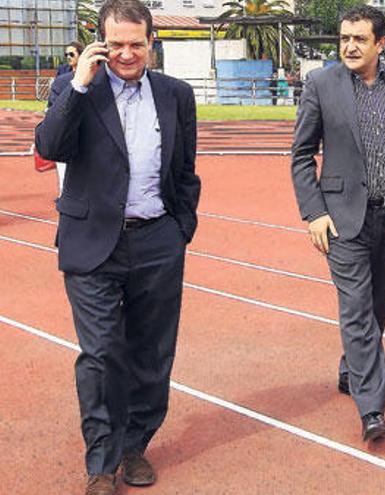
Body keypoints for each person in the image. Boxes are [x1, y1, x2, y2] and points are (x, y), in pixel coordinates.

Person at [34, 1, 201, 494]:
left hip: (157, 240)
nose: (127, 54)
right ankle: (102, 464)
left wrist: (180, 228)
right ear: (101, 44)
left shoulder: (176, 95)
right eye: (117, 44)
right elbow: (50, 146)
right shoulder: (75, 88)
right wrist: (81, 84)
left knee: (152, 353)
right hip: (93, 243)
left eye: (137, 43)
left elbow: (185, 170)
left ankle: (135, 446)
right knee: (102, 352)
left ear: (152, 43)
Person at [291, 5, 385, 443]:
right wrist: (314, 212)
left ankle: (350, 369)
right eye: (344, 39)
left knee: (375, 309)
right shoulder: (321, 84)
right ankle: (372, 408)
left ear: (380, 43)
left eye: (359, 39)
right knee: (357, 311)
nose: (349, 46)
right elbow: (301, 155)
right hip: (341, 220)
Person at [55, 41, 85, 193]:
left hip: (85, 129)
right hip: (65, 128)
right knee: (63, 171)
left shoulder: (93, 74)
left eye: (72, 54)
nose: (68, 57)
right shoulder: (62, 75)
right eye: (66, 54)